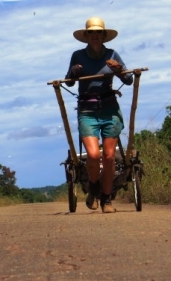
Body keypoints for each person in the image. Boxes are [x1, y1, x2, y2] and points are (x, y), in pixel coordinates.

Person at [66, 17, 133, 213]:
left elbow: (128, 80)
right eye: (91, 33)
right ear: (86, 36)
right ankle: (94, 189)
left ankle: (107, 199)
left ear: (103, 36)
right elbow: (69, 82)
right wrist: (73, 72)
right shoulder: (78, 55)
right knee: (94, 156)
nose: (95, 36)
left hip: (109, 109)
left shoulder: (112, 54)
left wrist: (119, 70)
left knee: (110, 157)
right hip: (87, 110)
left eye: (98, 33)